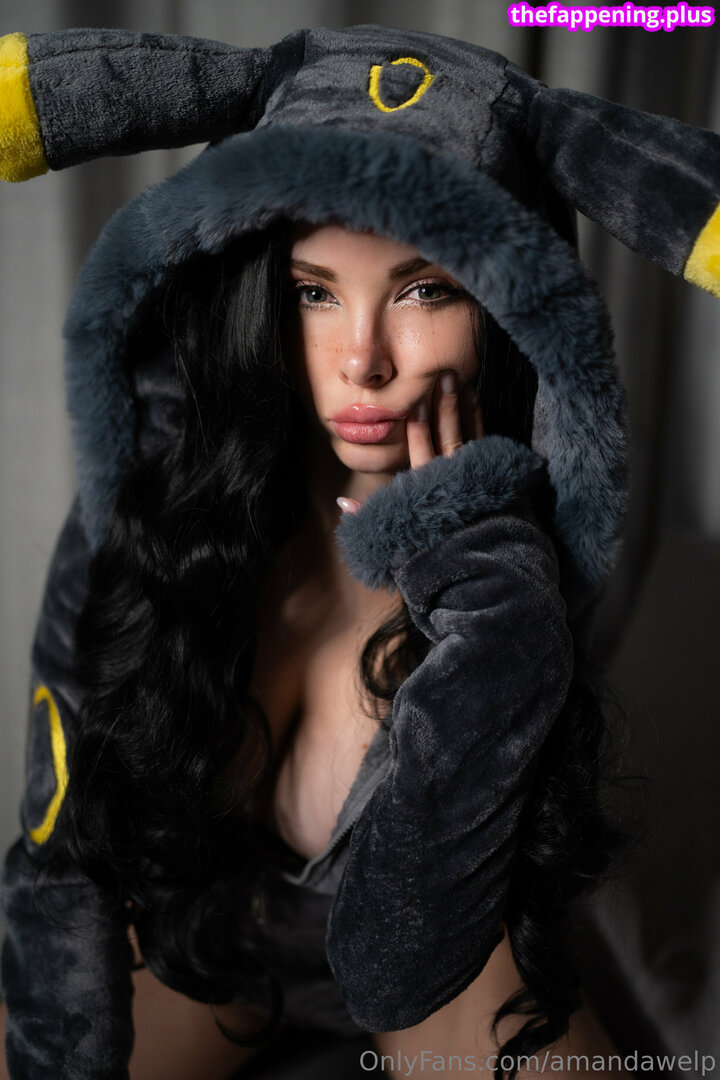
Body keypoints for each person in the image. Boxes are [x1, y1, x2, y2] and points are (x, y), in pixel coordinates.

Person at [1, 21, 718, 1080]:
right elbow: (60, 851)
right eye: (313, 291)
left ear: (508, 304)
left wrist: (490, 601)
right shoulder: (164, 504)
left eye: (426, 288)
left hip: (454, 972)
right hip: (208, 950)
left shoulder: (519, 570)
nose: (363, 361)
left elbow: (410, 947)